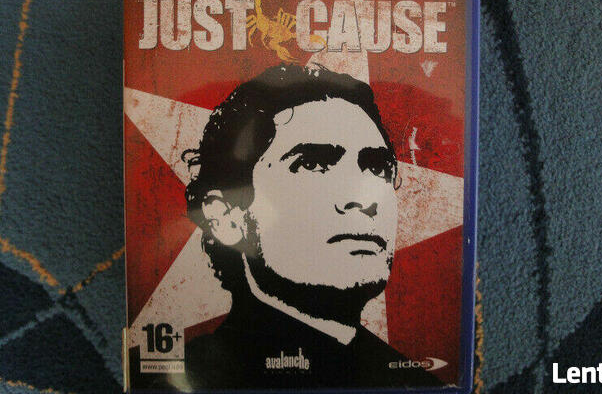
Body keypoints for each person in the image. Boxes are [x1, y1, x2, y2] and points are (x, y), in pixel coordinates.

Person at [132, 64, 443, 390]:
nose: (362, 200)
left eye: (378, 167)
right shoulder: (171, 383)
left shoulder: (420, 383)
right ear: (225, 218)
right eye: (313, 163)